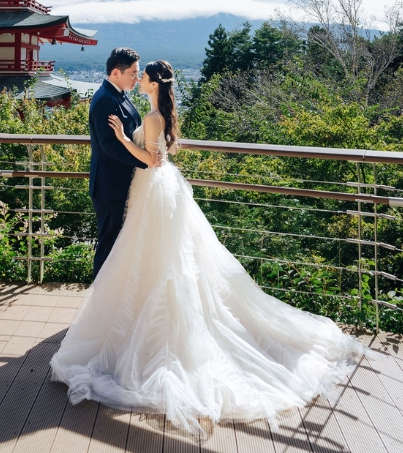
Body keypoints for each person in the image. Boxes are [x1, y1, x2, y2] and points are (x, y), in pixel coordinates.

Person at [51, 59, 364, 433]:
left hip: (153, 188)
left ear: (152, 82)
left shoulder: (150, 116)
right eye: (136, 73)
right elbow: (159, 157)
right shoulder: (154, 111)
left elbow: (151, 160)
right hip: (161, 190)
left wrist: (120, 137)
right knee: (160, 259)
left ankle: (147, 327)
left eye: (142, 75)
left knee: (154, 260)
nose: (139, 78)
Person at [87, 47, 149, 277]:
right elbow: (109, 146)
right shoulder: (105, 99)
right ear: (116, 73)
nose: (137, 78)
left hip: (121, 181)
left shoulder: (119, 94)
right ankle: (99, 299)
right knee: (108, 243)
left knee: (119, 243)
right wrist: (146, 161)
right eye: (133, 73)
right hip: (109, 184)